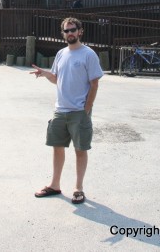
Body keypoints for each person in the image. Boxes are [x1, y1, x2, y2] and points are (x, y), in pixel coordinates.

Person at [30, 17, 104, 205]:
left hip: (79, 111)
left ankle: (78, 188)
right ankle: (55, 185)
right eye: (66, 30)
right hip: (60, 110)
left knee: (80, 150)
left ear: (80, 31)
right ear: (63, 33)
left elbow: (94, 83)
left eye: (73, 30)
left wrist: (86, 109)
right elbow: (56, 79)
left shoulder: (88, 54)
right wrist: (46, 74)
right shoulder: (61, 54)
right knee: (57, 148)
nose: (70, 33)